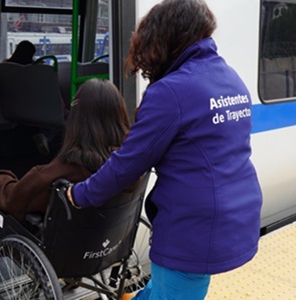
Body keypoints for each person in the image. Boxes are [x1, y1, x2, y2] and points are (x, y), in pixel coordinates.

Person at [66, 1, 263, 299]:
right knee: (165, 291)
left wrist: (79, 195)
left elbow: (127, 165)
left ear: (163, 39)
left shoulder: (171, 91)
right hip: (236, 212)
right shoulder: (230, 78)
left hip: (192, 228)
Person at [0, 78, 131, 258]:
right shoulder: (130, 166)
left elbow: (12, 199)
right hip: (104, 246)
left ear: (78, 121)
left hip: (59, 252)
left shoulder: (61, 170)